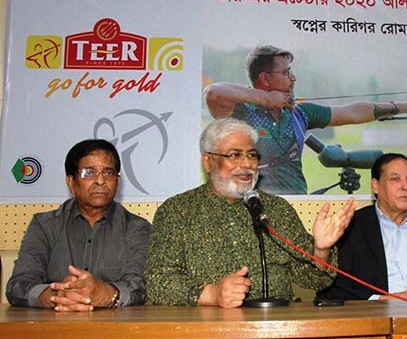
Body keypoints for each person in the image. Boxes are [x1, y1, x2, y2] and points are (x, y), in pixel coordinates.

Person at [144, 118, 355, 307]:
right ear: (208, 162)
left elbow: (313, 279)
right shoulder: (176, 211)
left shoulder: (277, 209)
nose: (246, 164)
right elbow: (158, 279)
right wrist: (211, 294)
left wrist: (321, 250)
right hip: (206, 333)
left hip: (276, 331)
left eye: (251, 155)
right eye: (234, 155)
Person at [204, 45, 407, 195]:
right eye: (286, 72)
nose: (293, 78)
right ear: (265, 78)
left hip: (297, 205)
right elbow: (213, 93)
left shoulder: (300, 113)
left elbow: (352, 112)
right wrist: (267, 99)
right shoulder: (241, 112)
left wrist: (405, 106)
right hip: (252, 209)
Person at [6, 139, 150, 311]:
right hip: (54, 327)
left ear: (117, 181)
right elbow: (18, 285)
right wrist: (56, 296)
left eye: (108, 173)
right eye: (89, 173)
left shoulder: (137, 228)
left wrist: (105, 294)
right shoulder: (44, 226)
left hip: (117, 329)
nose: (100, 181)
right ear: (71, 182)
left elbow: (140, 287)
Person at [317, 153, 407, 300]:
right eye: (395, 179)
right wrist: (380, 300)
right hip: (378, 317)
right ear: (376, 186)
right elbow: (333, 289)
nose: (406, 186)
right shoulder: (351, 227)